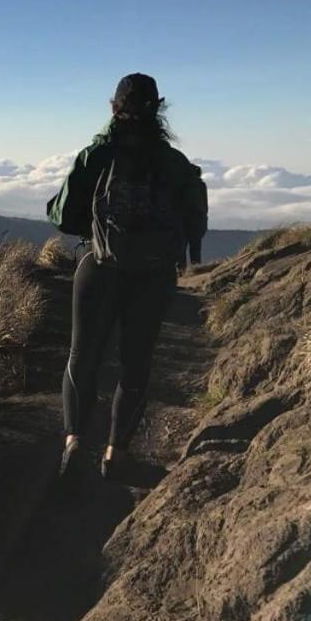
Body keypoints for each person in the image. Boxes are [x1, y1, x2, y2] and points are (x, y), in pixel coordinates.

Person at [46, 73, 207, 481]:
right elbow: (194, 218)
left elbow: (62, 216)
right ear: (160, 109)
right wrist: (187, 253)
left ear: (113, 107)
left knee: (83, 357)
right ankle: (117, 452)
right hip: (153, 277)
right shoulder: (174, 163)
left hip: (99, 268)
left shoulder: (96, 156)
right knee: (136, 363)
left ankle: (76, 442)